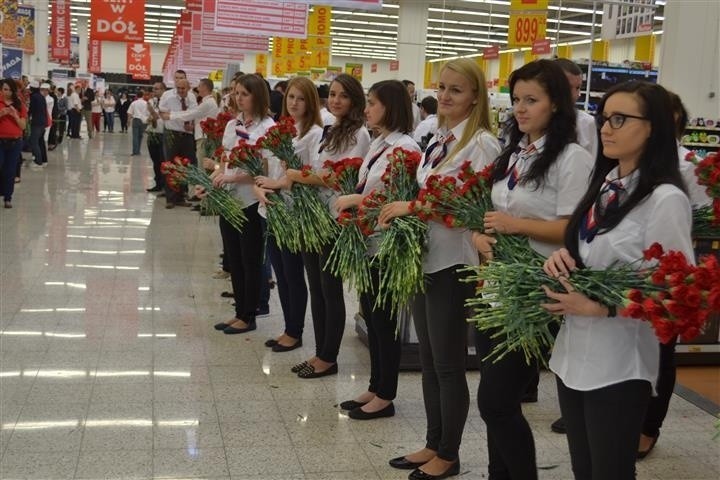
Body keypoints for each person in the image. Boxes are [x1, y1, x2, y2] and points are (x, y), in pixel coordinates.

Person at [542, 81, 693, 480]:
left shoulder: (665, 200)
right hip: (572, 355)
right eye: (605, 118)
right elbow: (589, 248)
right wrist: (563, 258)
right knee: (584, 469)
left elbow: (678, 294)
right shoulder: (606, 186)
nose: (606, 128)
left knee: (610, 472)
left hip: (620, 363)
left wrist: (601, 306)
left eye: (620, 119)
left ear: (654, 128)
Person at [378, 58, 502, 480]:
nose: (445, 96)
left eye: (456, 90)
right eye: (442, 88)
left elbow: (471, 206)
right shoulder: (441, 136)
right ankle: (433, 442)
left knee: (448, 364)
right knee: (430, 361)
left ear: (475, 97)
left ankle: (449, 454)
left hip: (454, 260)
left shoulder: (481, 143)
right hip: (425, 255)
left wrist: (412, 206)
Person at [472, 59, 594, 480]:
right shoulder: (516, 152)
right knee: (495, 404)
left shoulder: (572, 157)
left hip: (536, 292)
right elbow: (494, 210)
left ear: (556, 105)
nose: (520, 109)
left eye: (532, 100)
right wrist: (480, 236)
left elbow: (574, 228)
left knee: (496, 401)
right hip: (497, 288)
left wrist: (514, 225)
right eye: (516, 99)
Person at [334, 80, 420, 420]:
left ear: (392, 106)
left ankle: (387, 394)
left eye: (372, 103)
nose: (366, 109)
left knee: (384, 321)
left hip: (387, 244)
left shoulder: (406, 148)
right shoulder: (381, 143)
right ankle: (375, 384)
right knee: (372, 316)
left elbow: (394, 195)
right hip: (368, 239)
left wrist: (355, 200)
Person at [284, 73, 371, 379]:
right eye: (332, 95)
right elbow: (320, 169)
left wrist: (297, 176)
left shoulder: (359, 134)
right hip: (316, 216)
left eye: (343, 96)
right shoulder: (329, 130)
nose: (335, 100)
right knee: (317, 289)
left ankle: (329, 357)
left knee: (330, 290)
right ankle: (321, 352)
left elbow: (342, 178)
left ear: (355, 100)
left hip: (336, 218)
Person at [254, 77, 323, 352]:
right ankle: (288, 328)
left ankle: (295, 331)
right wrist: (262, 189)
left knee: (293, 274)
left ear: (311, 103)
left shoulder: (315, 134)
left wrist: (279, 184)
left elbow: (307, 174)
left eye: (301, 98)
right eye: (291, 97)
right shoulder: (283, 130)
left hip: (294, 212)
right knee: (281, 274)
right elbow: (270, 170)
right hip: (271, 209)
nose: (294, 103)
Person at [211, 74, 275, 335]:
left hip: (251, 202)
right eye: (236, 93)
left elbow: (264, 169)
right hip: (229, 199)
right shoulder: (233, 124)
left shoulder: (268, 128)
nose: (238, 98)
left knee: (250, 261)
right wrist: (217, 176)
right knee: (234, 260)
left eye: (244, 94)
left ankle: (249, 315)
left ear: (257, 96)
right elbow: (226, 158)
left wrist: (233, 176)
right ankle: (239, 312)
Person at [159, 78, 197, 208]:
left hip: (187, 135)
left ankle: (181, 196)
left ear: (189, 88)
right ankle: (170, 198)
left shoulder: (192, 98)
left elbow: (193, 113)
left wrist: (188, 121)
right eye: (178, 88)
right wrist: (182, 116)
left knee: (184, 166)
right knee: (170, 166)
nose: (181, 91)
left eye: (183, 88)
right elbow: (163, 113)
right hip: (172, 133)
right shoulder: (167, 96)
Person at [0, 78, 28, 208]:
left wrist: (15, 115)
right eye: (5, 89)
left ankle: (7, 197)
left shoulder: (19, 105)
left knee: (10, 170)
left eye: (10, 90)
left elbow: (23, 126)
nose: (7, 92)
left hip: (15, 142)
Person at [145, 82, 166, 193]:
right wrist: (149, 117)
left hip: (163, 134)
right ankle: (158, 183)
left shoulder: (167, 101)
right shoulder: (151, 102)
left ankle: (164, 184)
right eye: (153, 89)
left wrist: (153, 113)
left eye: (157, 89)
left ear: (163, 90)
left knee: (163, 160)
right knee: (155, 161)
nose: (154, 91)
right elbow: (146, 117)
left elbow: (160, 117)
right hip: (152, 133)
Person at [27, 81, 48, 167]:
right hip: (43, 122)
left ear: (32, 88)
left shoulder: (34, 97)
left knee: (34, 142)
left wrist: (27, 115)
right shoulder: (41, 96)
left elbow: (32, 109)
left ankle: (38, 162)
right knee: (40, 141)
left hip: (36, 123)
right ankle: (43, 160)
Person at [127, 92, 149, 156]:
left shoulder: (134, 103)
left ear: (137, 96)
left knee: (135, 136)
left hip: (136, 120)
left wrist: (128, 121)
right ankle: (138, 151)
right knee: (140, 136)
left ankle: (135, 151)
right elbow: (148, 113)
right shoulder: (146, 103)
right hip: (144, 121)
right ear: (143, 96)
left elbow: (129, 113)